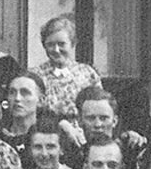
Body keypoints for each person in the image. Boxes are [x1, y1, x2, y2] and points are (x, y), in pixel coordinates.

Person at [31, 16, 102, 146]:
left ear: (72, 44)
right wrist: (62, 124)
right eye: (50, 45)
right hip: (49, 138)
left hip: (85, 138)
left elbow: (100, 107)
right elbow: (34, 113)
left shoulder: (87, 73)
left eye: (61, 44)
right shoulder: (35, 76)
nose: (56, 50)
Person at [61, 86, 146, 169]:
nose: (98, 125)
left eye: (103, 118)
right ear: (80, 121)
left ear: (114, 121)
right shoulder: (73, 161)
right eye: (91, 118)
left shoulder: (131, 151)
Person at [0, 71, 47, 169]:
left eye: (25, 93)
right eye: (12, 92)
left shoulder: (48, 136)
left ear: (41, 100)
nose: (17, 98)